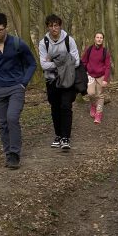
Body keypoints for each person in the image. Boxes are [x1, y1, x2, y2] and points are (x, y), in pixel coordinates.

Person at [0, 13, 37, 169]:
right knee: (3, 123)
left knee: (12, 118)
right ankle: (8, 155)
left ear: (6, 27)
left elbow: (32, 64)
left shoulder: (19, 44)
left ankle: (15, 153)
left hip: (16, 88)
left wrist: (23, 83)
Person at [38, 14, 80, 150]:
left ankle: (66, 137)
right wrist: (64, 62)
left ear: (60, 26)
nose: (54, 28)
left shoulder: (69, 40)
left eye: (56, 25)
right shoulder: (43, 42)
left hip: (68, 80)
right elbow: (44, 65)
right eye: (51, 26)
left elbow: (77, 61)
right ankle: (58, 135)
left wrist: (53, 60)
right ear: (48, 27)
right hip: (51, 80)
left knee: (66, 106)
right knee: (55, 108)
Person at [81, 32, 111, 124]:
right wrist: (84, 72)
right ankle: (93, 106)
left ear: (103, 39)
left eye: (101, 38)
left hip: (101, 76)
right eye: (97, 37)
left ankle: (98, 114)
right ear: (94, 38)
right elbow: (84, 61)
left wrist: (105, 79)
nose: (99, 39)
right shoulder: (89, 49)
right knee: (90, 93)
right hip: (90, 75)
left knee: (100, 95)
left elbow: (107, 66)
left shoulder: (105, 52)